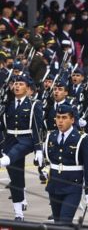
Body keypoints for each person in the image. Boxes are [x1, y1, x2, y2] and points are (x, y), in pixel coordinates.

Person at [0, 75, 44, 220]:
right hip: (10, 140)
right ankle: (19, 213)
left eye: (20, 84)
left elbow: (37, 128)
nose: (17, 86)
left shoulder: (33, 104)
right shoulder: (7, 105)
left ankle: (7, 158)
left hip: (27, 139)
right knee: (15, 178)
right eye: (15, 84)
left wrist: (39, 149)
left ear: (27, 88)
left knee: (13, 154)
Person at [44, 104, 88, 225]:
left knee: (64, 222)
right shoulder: (51, 137)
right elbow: (49, 160)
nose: (60, 121)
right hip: (54, 186)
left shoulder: (82, 138)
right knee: (57, 223)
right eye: (58, 117)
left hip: (72, 187)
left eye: (64, 117)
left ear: (72, 120)